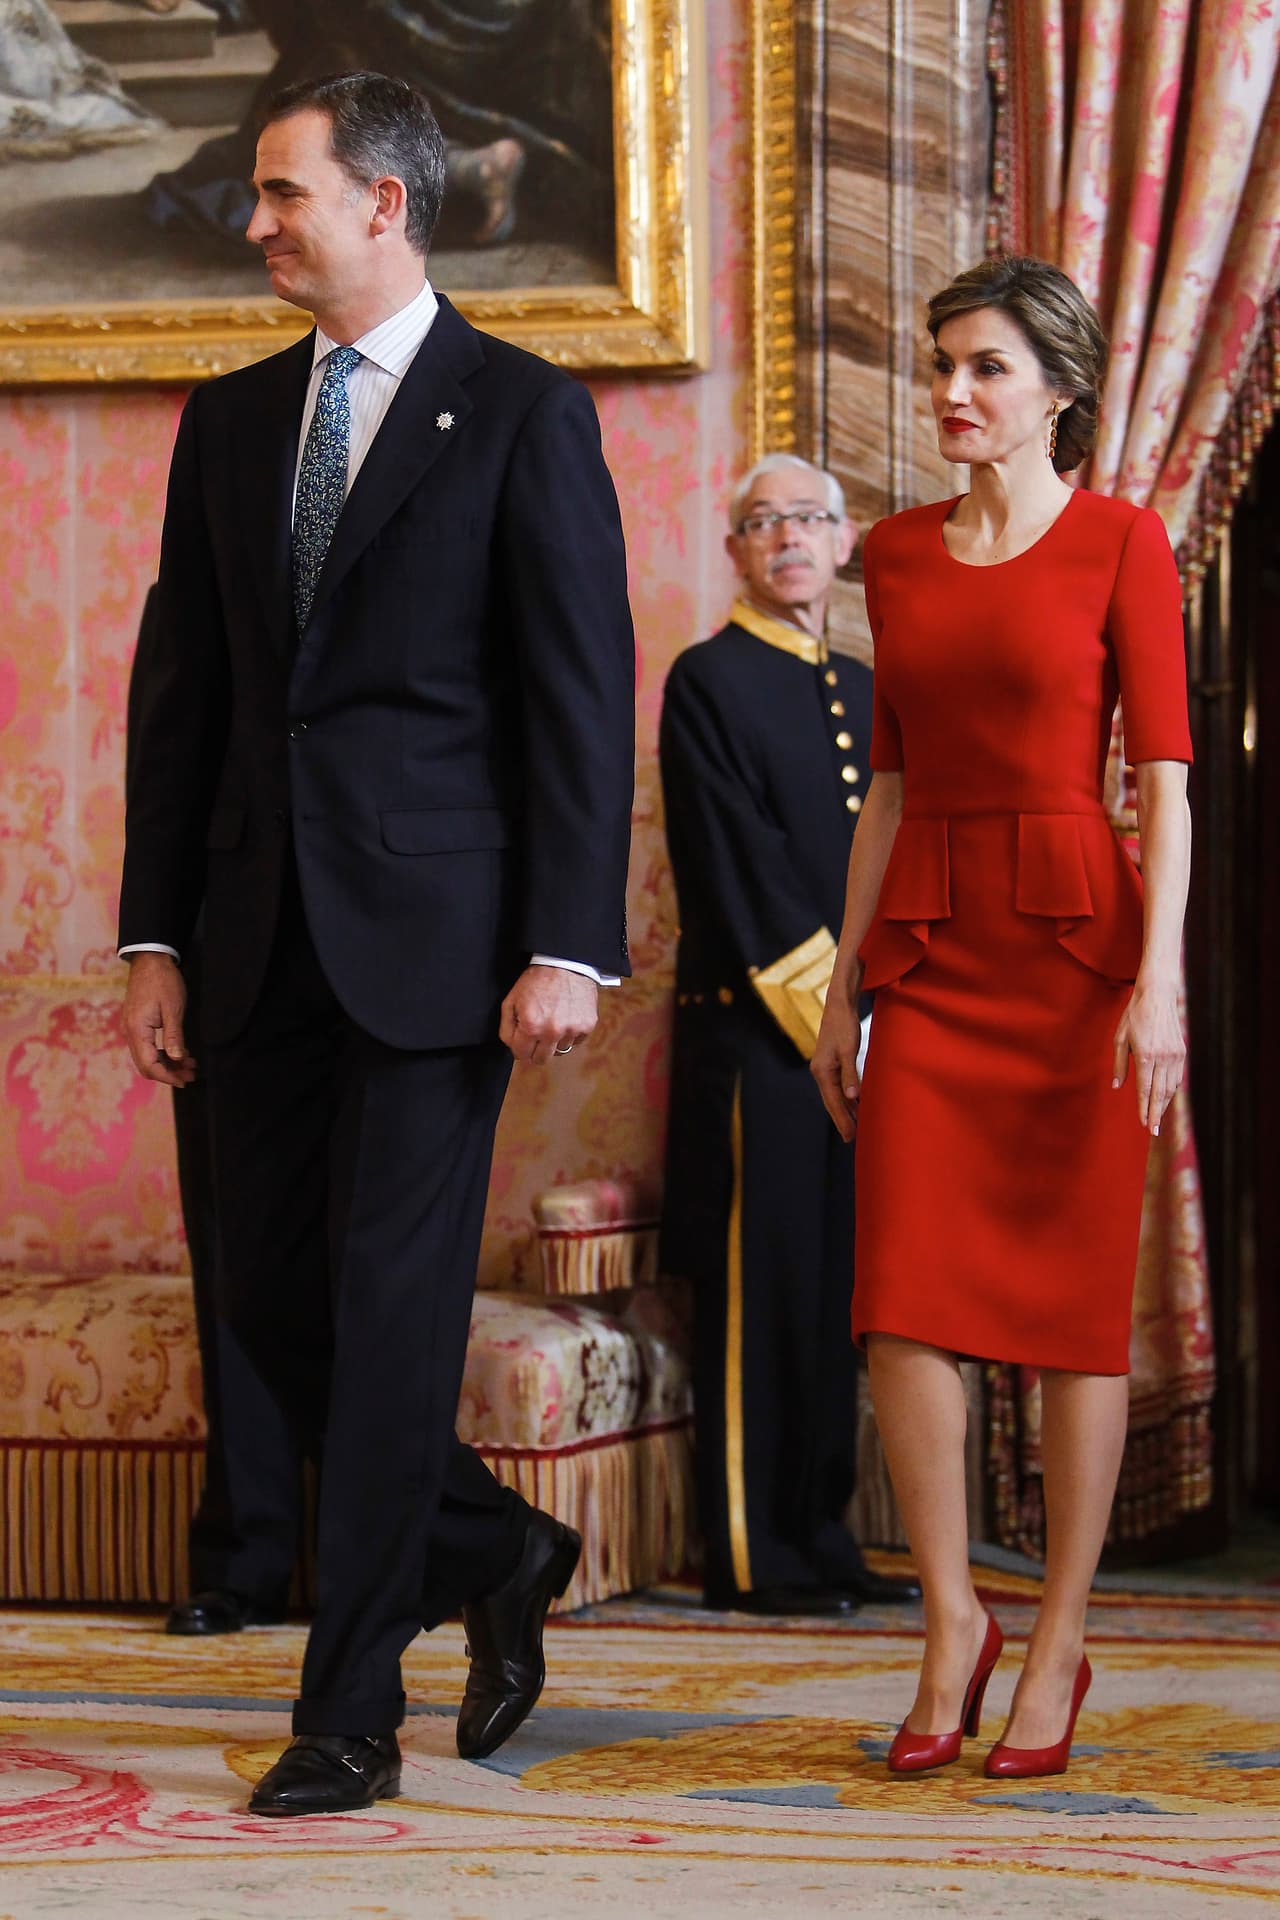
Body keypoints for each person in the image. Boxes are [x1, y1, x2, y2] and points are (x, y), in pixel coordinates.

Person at [119, 71, 634, 1817]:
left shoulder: (522, 412)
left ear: (386, 207)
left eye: (282, 193)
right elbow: (179, 699)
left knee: (394, 1317)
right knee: (270, 1312)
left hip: (441, 954)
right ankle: (495, 1545)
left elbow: (576, 700)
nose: (253, 220)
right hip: (251, 942)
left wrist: (571, 939)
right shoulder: (232, 420)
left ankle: (348, 1709)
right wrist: (153, 936)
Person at [811, 255, 1192, 1780]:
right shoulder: (894, 557)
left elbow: (1161, 781)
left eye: (982, 367)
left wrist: (1159, 983)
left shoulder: (1123, 544)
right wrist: (845, 977)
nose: (951, 393)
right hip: (930, 956)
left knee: (1072, 1317)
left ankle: (1057, 1640)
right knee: (903, 1302)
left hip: (1081, 973)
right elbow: (889, 786)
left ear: (1057, 389)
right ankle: (952, 1620)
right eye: (940, 363)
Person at [659, 454, 922, 1618]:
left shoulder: (870, 687)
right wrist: (835, 1023)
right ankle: (754, 1553)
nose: (786, 540)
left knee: (837, 1297)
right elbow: (737, 874)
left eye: (807, 519)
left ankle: (822, 1536)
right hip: (762, 1046)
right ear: (735, 552)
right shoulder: (704, 680)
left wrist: (885, 1020)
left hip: (868, 1041)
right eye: (761, 523)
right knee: (759, 1300)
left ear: (842, 537)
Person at [128, 588, 303, 1639]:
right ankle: (246, 1554)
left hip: (401, 950)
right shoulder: (216, 526)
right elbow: (169, 754)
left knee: (365, 1279)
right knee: (237, 1270)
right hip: (236, 957)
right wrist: (156, 948)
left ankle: (411, 1549)